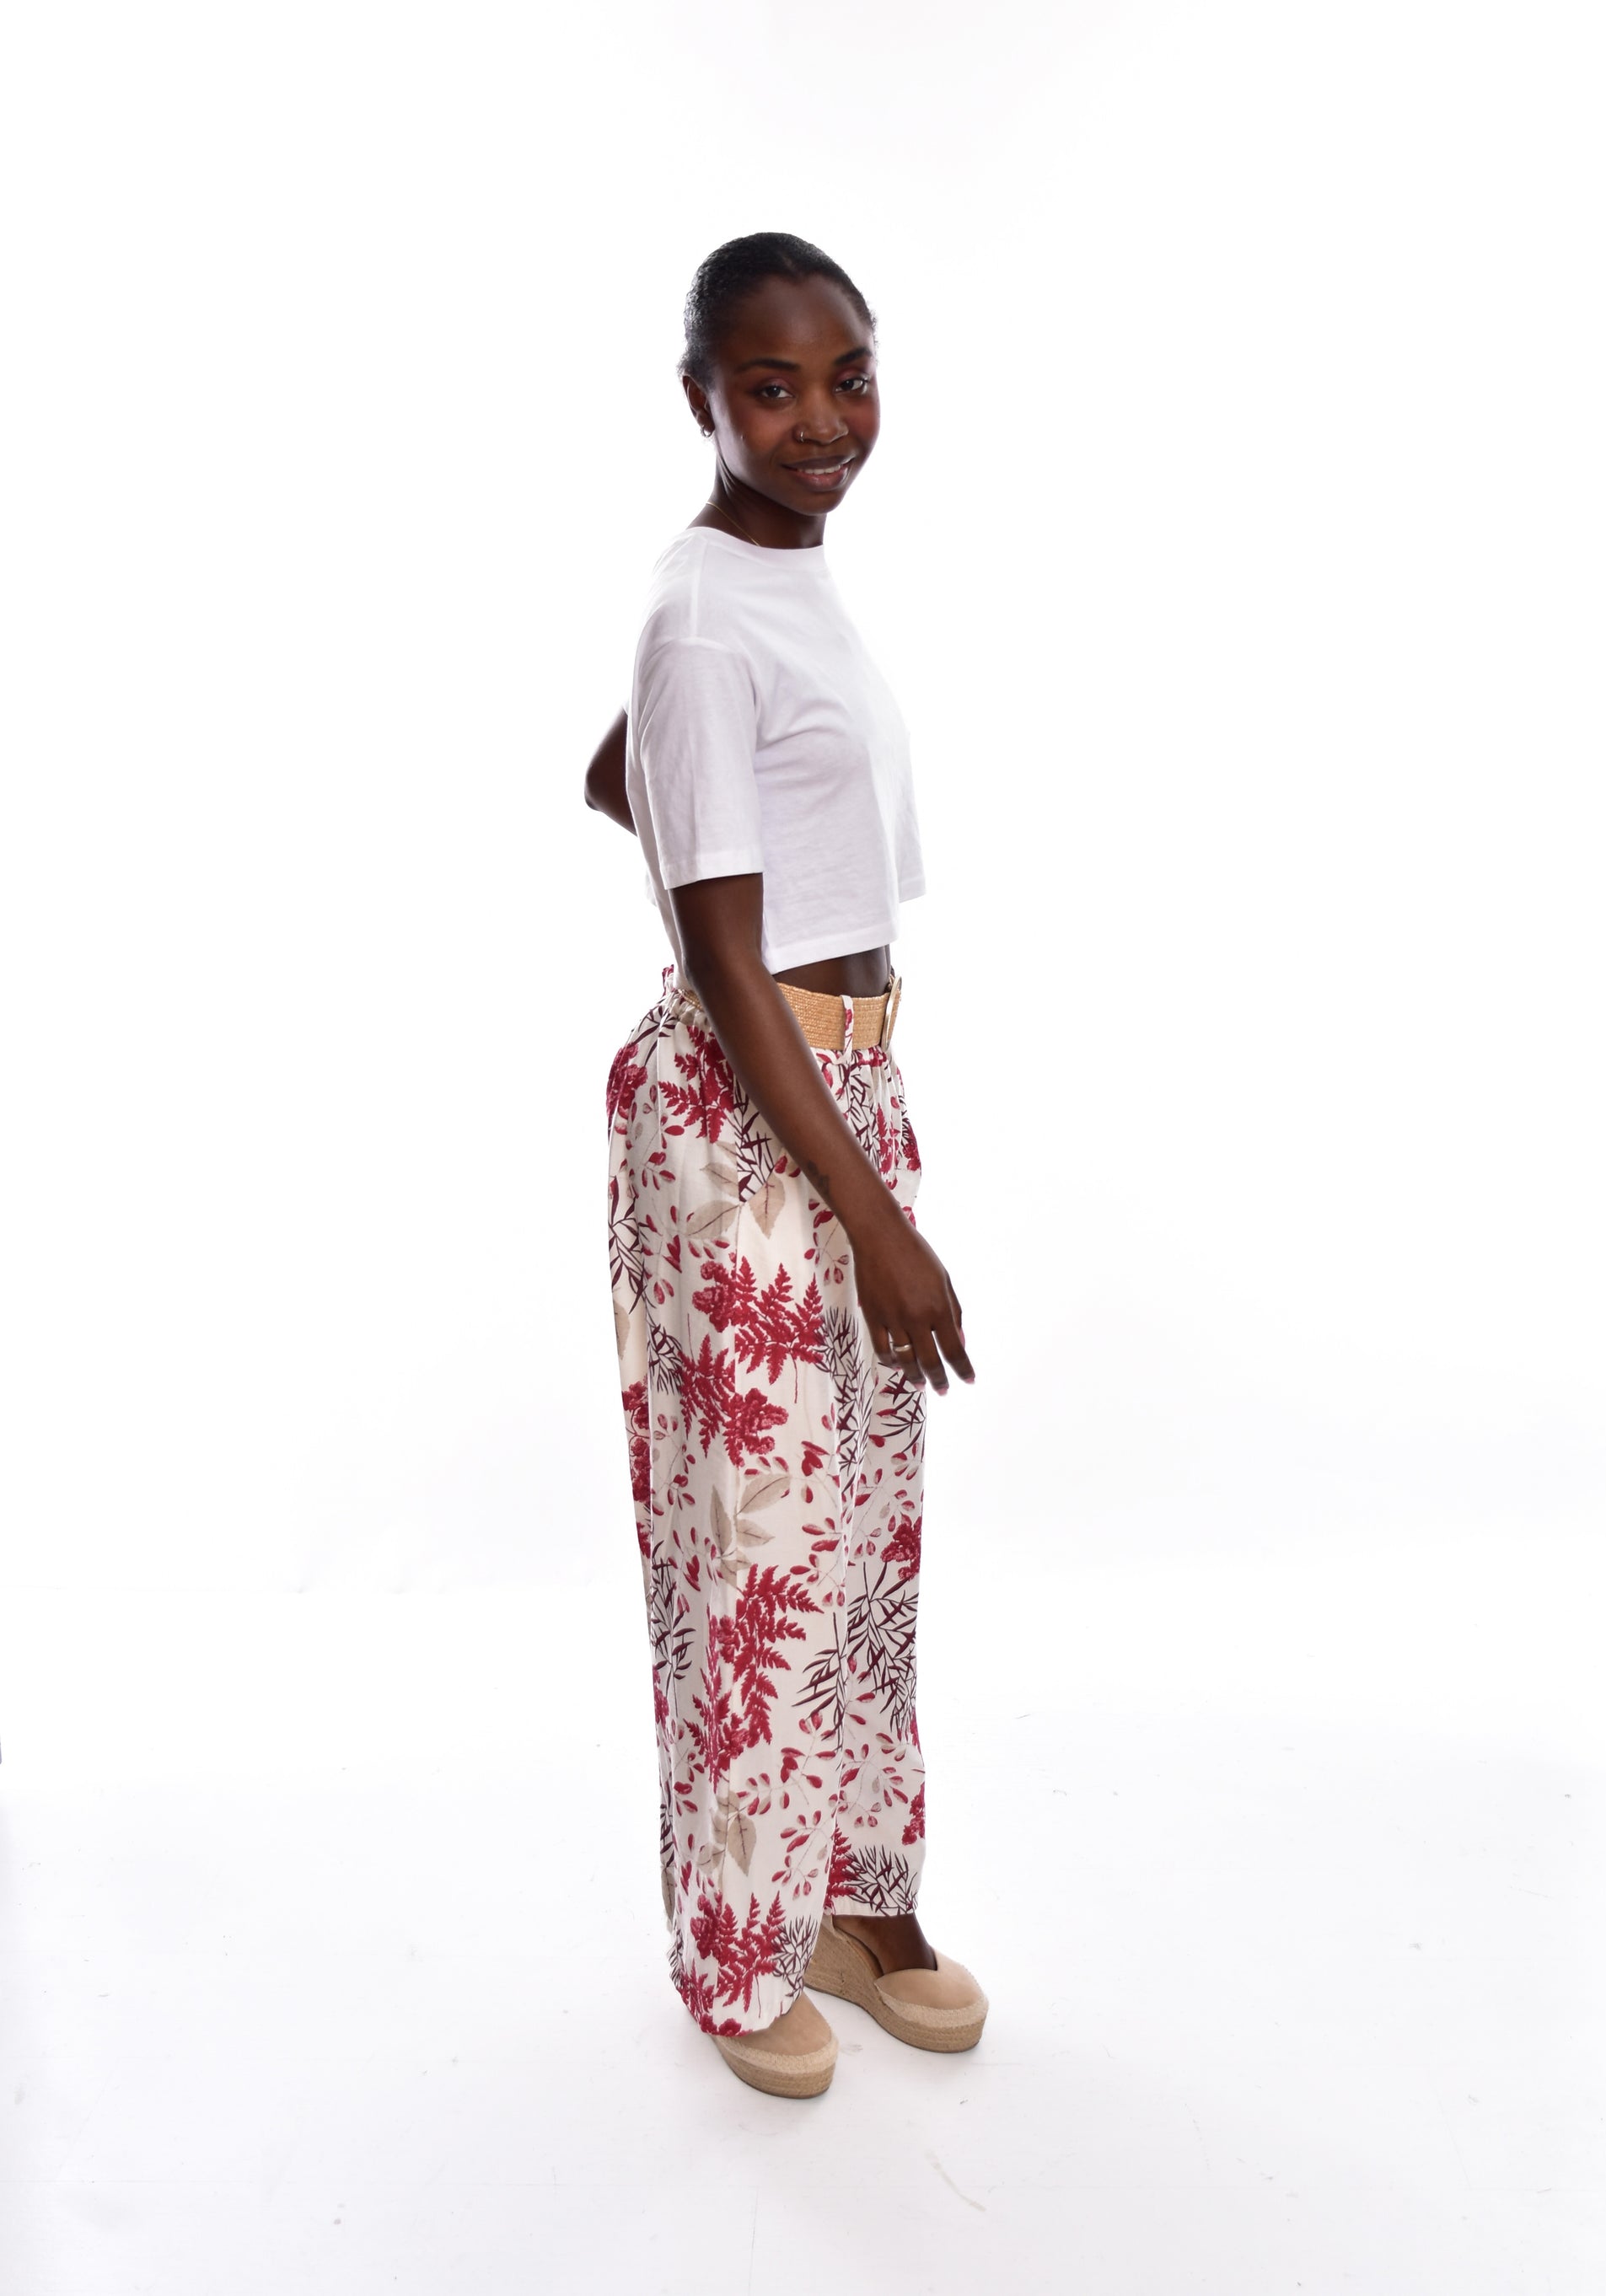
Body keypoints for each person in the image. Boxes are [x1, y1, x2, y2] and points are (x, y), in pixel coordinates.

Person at [586, 233, 988, 2100]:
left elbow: (623, 776)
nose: (822, 421)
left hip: (849, 1086)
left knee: (863, 1537)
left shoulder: (784, 576)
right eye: (773, 387)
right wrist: (879, 1225)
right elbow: (729, 960)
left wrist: (870, 1175)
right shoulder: (698, 611)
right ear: (703, 400)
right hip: (749, 1115)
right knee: (754, 1551)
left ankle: (855, 1894)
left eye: (849, 378)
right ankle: (739, 1947)